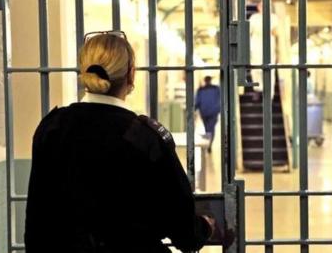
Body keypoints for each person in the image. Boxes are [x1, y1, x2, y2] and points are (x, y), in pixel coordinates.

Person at [24, 31, 215, 253]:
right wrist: (205, 227)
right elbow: (184, 232)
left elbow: (36, 223)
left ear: (84, 71)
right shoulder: (147, 138)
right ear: (131, 75)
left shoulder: (53, 128)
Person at [249, 1, 279, 100]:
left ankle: (269, 94)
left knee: (269, 69)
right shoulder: (254, 18)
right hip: (256, 45)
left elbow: (276, 32)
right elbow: (249, 31)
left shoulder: (274, 18)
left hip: (269, 45)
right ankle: (257, 89)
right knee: (256, 68)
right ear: (258, 7)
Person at [194, 76, 220, 153]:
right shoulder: (216, 89)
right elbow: (220, 99)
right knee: (211, 128)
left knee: (208, 128)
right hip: (212, 111)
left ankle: (209, 143)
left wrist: (195, 109)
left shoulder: (201, 90)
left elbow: (197, 102)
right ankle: (209, 143)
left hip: (205, 111)